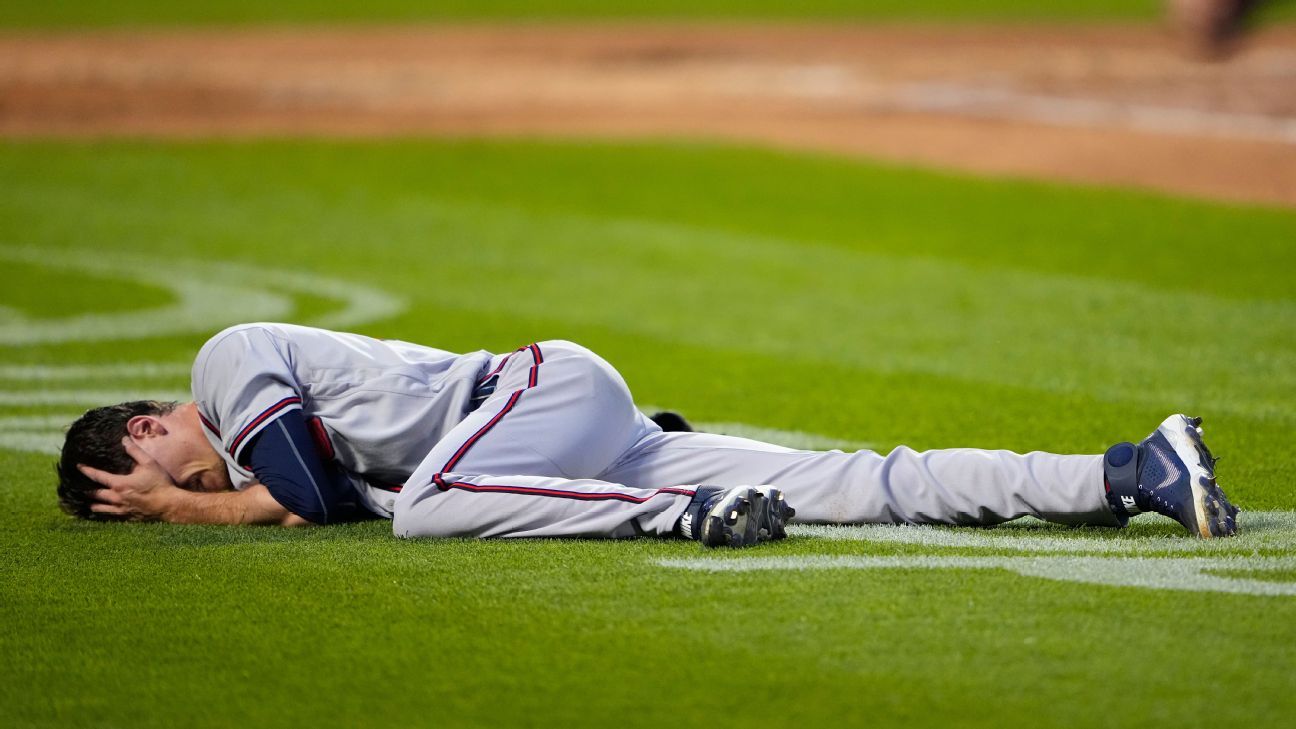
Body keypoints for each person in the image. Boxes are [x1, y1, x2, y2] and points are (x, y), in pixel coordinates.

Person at [57, 323, 1239, 547]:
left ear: (157, 424)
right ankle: (1130, 467)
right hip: (547, 447)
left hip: (537, 398)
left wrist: (189, 510)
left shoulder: (223, 364)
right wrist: (207, 501)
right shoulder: (228, 428)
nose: (176, 481)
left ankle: (680, 517)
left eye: (146, 472)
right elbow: (315, 491)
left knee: (418, 511)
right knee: (863, 486)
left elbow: (310, 491)